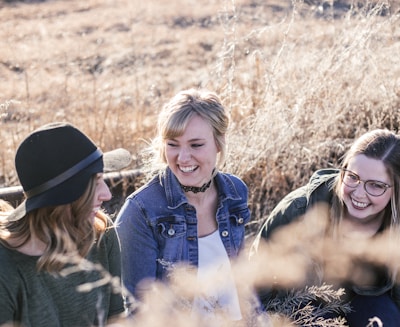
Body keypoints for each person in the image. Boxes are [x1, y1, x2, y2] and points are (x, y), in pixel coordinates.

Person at [115, 89, 251, 322]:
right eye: (173, 144)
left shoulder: (235, 192)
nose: (183, 157)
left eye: (196, 145)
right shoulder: (141, 212)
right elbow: (139, 312)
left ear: (219, 143)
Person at [250, 129, 400, 326]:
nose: (359, 193)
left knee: (385, 315)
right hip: (303, 306)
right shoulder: (300, 208)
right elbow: (257, 277)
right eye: (352, 176)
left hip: (368, 307)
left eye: (375, 185)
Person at [0, 122, 132, 326]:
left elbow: (116, 320)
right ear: (65, 196)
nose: (106, 194)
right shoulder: (6, 270)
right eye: (95, 182)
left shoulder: (101, 233)